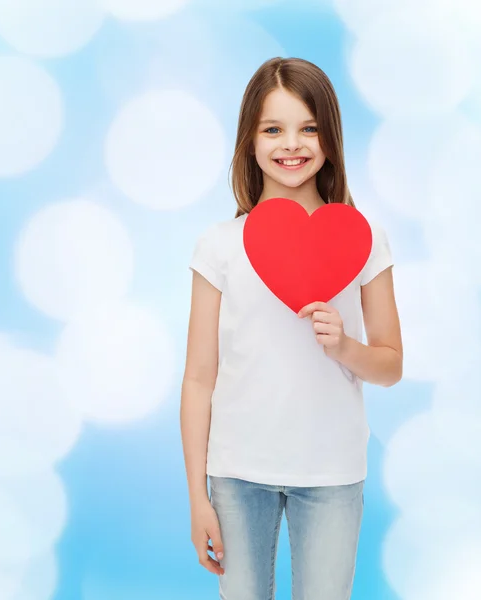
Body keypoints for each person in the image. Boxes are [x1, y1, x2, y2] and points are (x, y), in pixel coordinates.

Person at [180, 57, 403, 600]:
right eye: (273, 129)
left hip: (331, 471)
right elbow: (198, 378)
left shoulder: (362, 238)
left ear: (330, 135)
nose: (292, 144)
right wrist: (197, 498)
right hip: (237, 471)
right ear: (249, 141)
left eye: (308, 127)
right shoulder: (219, 244)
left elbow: (392, 364)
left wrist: (345, 345)